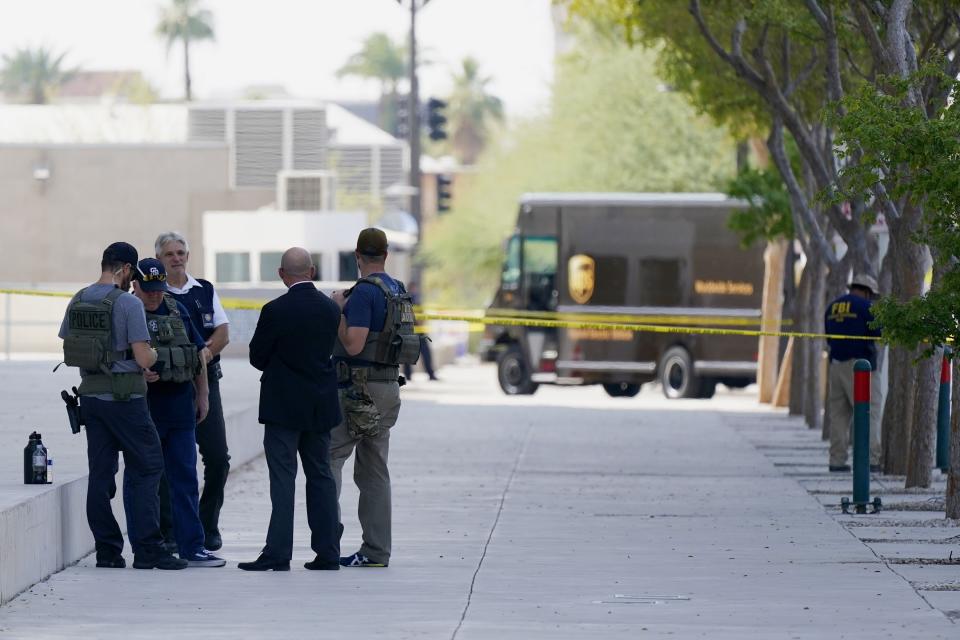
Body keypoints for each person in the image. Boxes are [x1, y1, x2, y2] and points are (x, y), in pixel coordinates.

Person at [58, 242, 186, 570]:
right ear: (126, 269)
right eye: (132, 275)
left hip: (90, 399)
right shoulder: (127, 303)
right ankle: (148, 550)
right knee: (147, 467)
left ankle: (107, 551)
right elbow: (143, 356)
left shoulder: (79, 298)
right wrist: (153, 357)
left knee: (101, 475)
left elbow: (69, 343)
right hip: (126, 398)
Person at [239, 248, 342, 571]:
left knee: (283, 480)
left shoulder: (275, 310)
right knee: (321, 476)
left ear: (282, 274)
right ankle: (328, 552)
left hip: (282, 405)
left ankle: (278, 553)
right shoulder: (330, 308)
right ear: (312, 271)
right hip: (320, 405)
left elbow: (257, 356)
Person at [126, 258, 226, 568]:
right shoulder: (127, 312)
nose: (155, 296)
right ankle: (151, 546)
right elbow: (113, 358)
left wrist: (204, 394)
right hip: (146, 412)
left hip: (181, 408)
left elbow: (198, 353)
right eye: (148, 290)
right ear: (135, 285)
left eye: (158, 289)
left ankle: (192, 546)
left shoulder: (175, 309)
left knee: (185, 478)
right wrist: (137, 372)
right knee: (147, 481)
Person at [331, 228, 409, 568]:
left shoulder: (364, 294)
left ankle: (327, 543)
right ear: (386, 254)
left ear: (357, 256)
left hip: (358, 390)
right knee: (375, 470)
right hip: (388, 386)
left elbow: (353, 344)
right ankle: (376, 551)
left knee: (330, 458)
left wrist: (337, 310)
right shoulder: (397, 290)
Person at [155, 231, 231, 552]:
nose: (176, 258)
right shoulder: (153, 293)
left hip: (206, 381)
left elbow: (223, 333)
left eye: (181, 252)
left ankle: (206, 524)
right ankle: (171, 530)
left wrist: (202, 356)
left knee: (217, 458)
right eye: (170, 254)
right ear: (159, 258)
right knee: (165, 463)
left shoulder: (204, 290)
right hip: (168, 387)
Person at [824, 274, 884, 472]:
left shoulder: (832, 307)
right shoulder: (866, 307)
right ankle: (870, 459)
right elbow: (879, 332)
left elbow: (829, 339)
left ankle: (837, 460)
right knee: (869, 412)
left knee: (838, 416)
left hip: (836, 366)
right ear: (866, 292)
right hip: (861, 369)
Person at [402, 281, 437, 382]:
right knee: (408, 354)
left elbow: (421, 315)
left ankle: (430, 374)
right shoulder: (407, 299)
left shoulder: (415, 299)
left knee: (425, 353)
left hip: (418, 330)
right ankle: (409, 375)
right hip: (410, 330)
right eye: (413, 288)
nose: (414, 290)